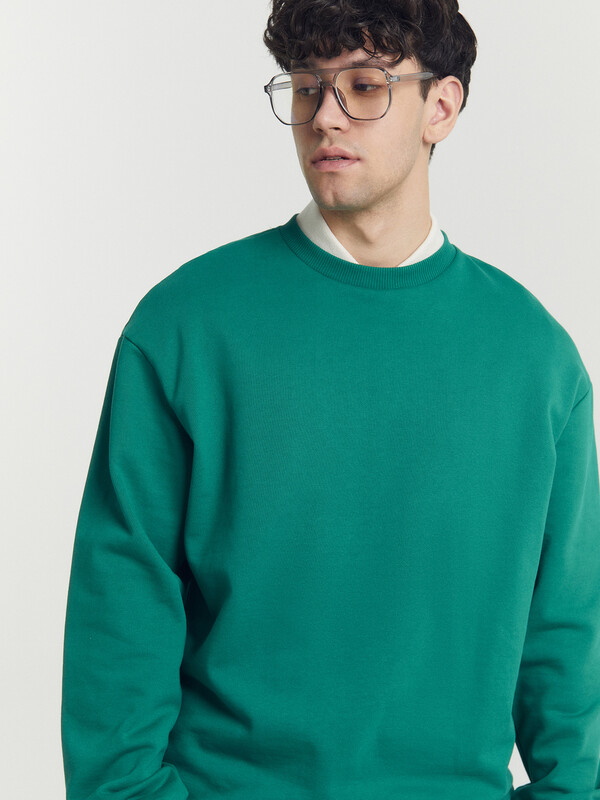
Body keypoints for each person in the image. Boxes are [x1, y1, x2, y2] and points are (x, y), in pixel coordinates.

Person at [60, 1, 600, 799]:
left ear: (442, 107)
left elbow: (570, 652)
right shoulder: (185, 328)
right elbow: (118, 629)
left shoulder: (536, 360)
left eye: (365, 86)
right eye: (308, 86)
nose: (326, 117)